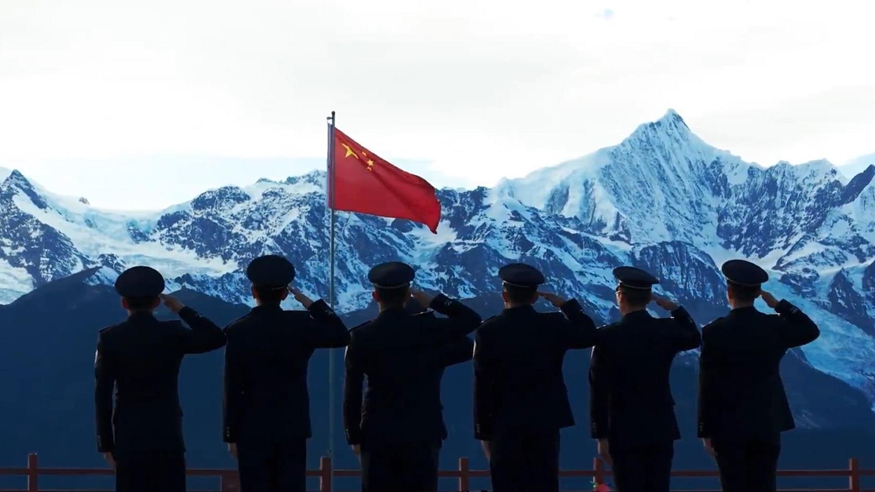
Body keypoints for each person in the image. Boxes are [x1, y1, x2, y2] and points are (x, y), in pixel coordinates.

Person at [343, 261, 482, 492]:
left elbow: (352, 390)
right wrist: (434, 301)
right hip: (424, 429)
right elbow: (471, 320)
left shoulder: (361, 336)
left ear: (375, 296)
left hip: (377, 430)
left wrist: (353, 435)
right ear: (408, 294)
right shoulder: (430, 329)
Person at [222, 254, 350, 492]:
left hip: (251, 427)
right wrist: (311, 304)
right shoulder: (301, 325)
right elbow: (341, 335)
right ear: (284, 294)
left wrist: (231, 433)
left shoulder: (238, 331)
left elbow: (232, 384)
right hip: (292, 424)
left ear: (253, 291)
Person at [94, 266, 227, 492]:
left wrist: (105, 444)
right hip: (167, 433)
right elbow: (216, 337)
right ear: (157, 302)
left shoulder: (109, 338)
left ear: (124, 303)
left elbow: (102, 394)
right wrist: (182, 309)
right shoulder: (173, 333)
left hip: (128, 435)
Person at [473, 263, 599, 492]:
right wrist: (567, 306)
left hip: (504, 423)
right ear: (534, 298)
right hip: (545, 422)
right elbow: (589, 335)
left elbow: (482, 385)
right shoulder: (553, 325)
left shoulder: (488, 331)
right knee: (544, 482)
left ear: (504, 295)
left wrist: (483, 431)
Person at [697, 259, 820, 492]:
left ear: (729, 292)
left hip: (727, 425)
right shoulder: (774, 326)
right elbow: (810, 330)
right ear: (758, 294)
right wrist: (780, 305)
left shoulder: (714, 332)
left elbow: (707, 384)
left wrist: (706, 429)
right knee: (765, 484)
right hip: (767, 421)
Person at [588, 266, 702, 492]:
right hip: (660, 425)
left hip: (622, 428)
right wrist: (676, 309)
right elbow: (693, 337)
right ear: (649, 299)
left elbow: (598, 389)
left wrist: (600, 435)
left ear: (621, 296)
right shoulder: (666, 330)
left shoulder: (606, 337)